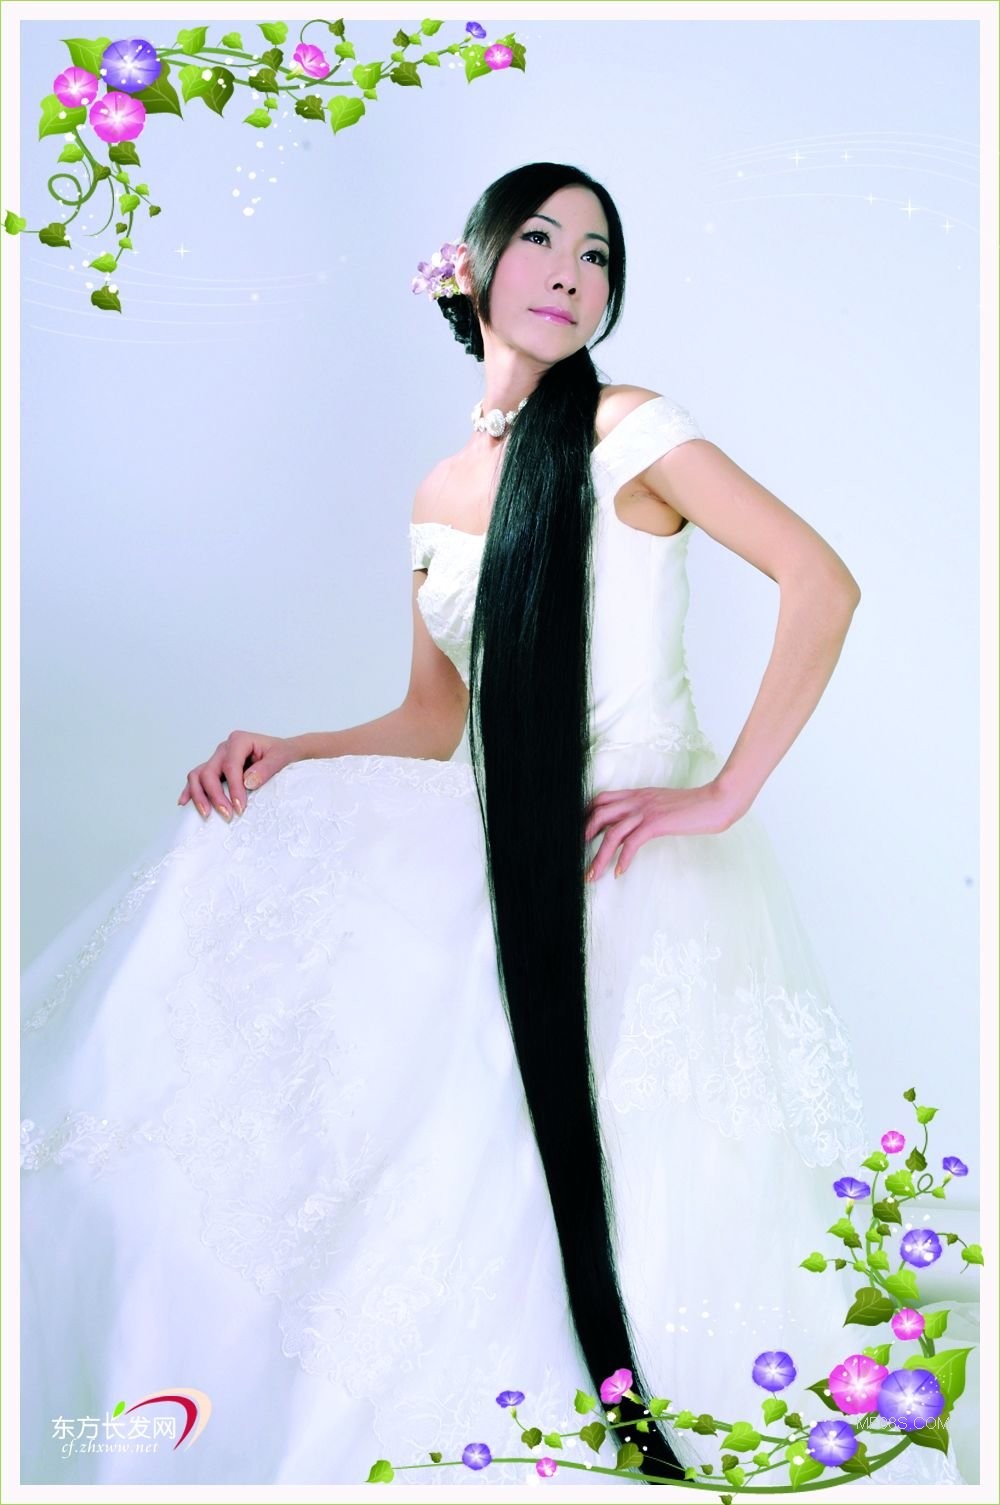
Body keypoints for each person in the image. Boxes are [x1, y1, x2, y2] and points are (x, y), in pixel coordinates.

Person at [20, 162, 968, 1489]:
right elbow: (434, 718)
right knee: (291, 952)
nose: (572, 270)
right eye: (540, 237)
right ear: (469, 267)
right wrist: (293, 751)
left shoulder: (629, 428)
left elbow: (822, 579)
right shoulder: (436, 492)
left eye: (598, 252)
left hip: (627, 853)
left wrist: (724, 790)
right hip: (499, 829)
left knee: (638, 1181)